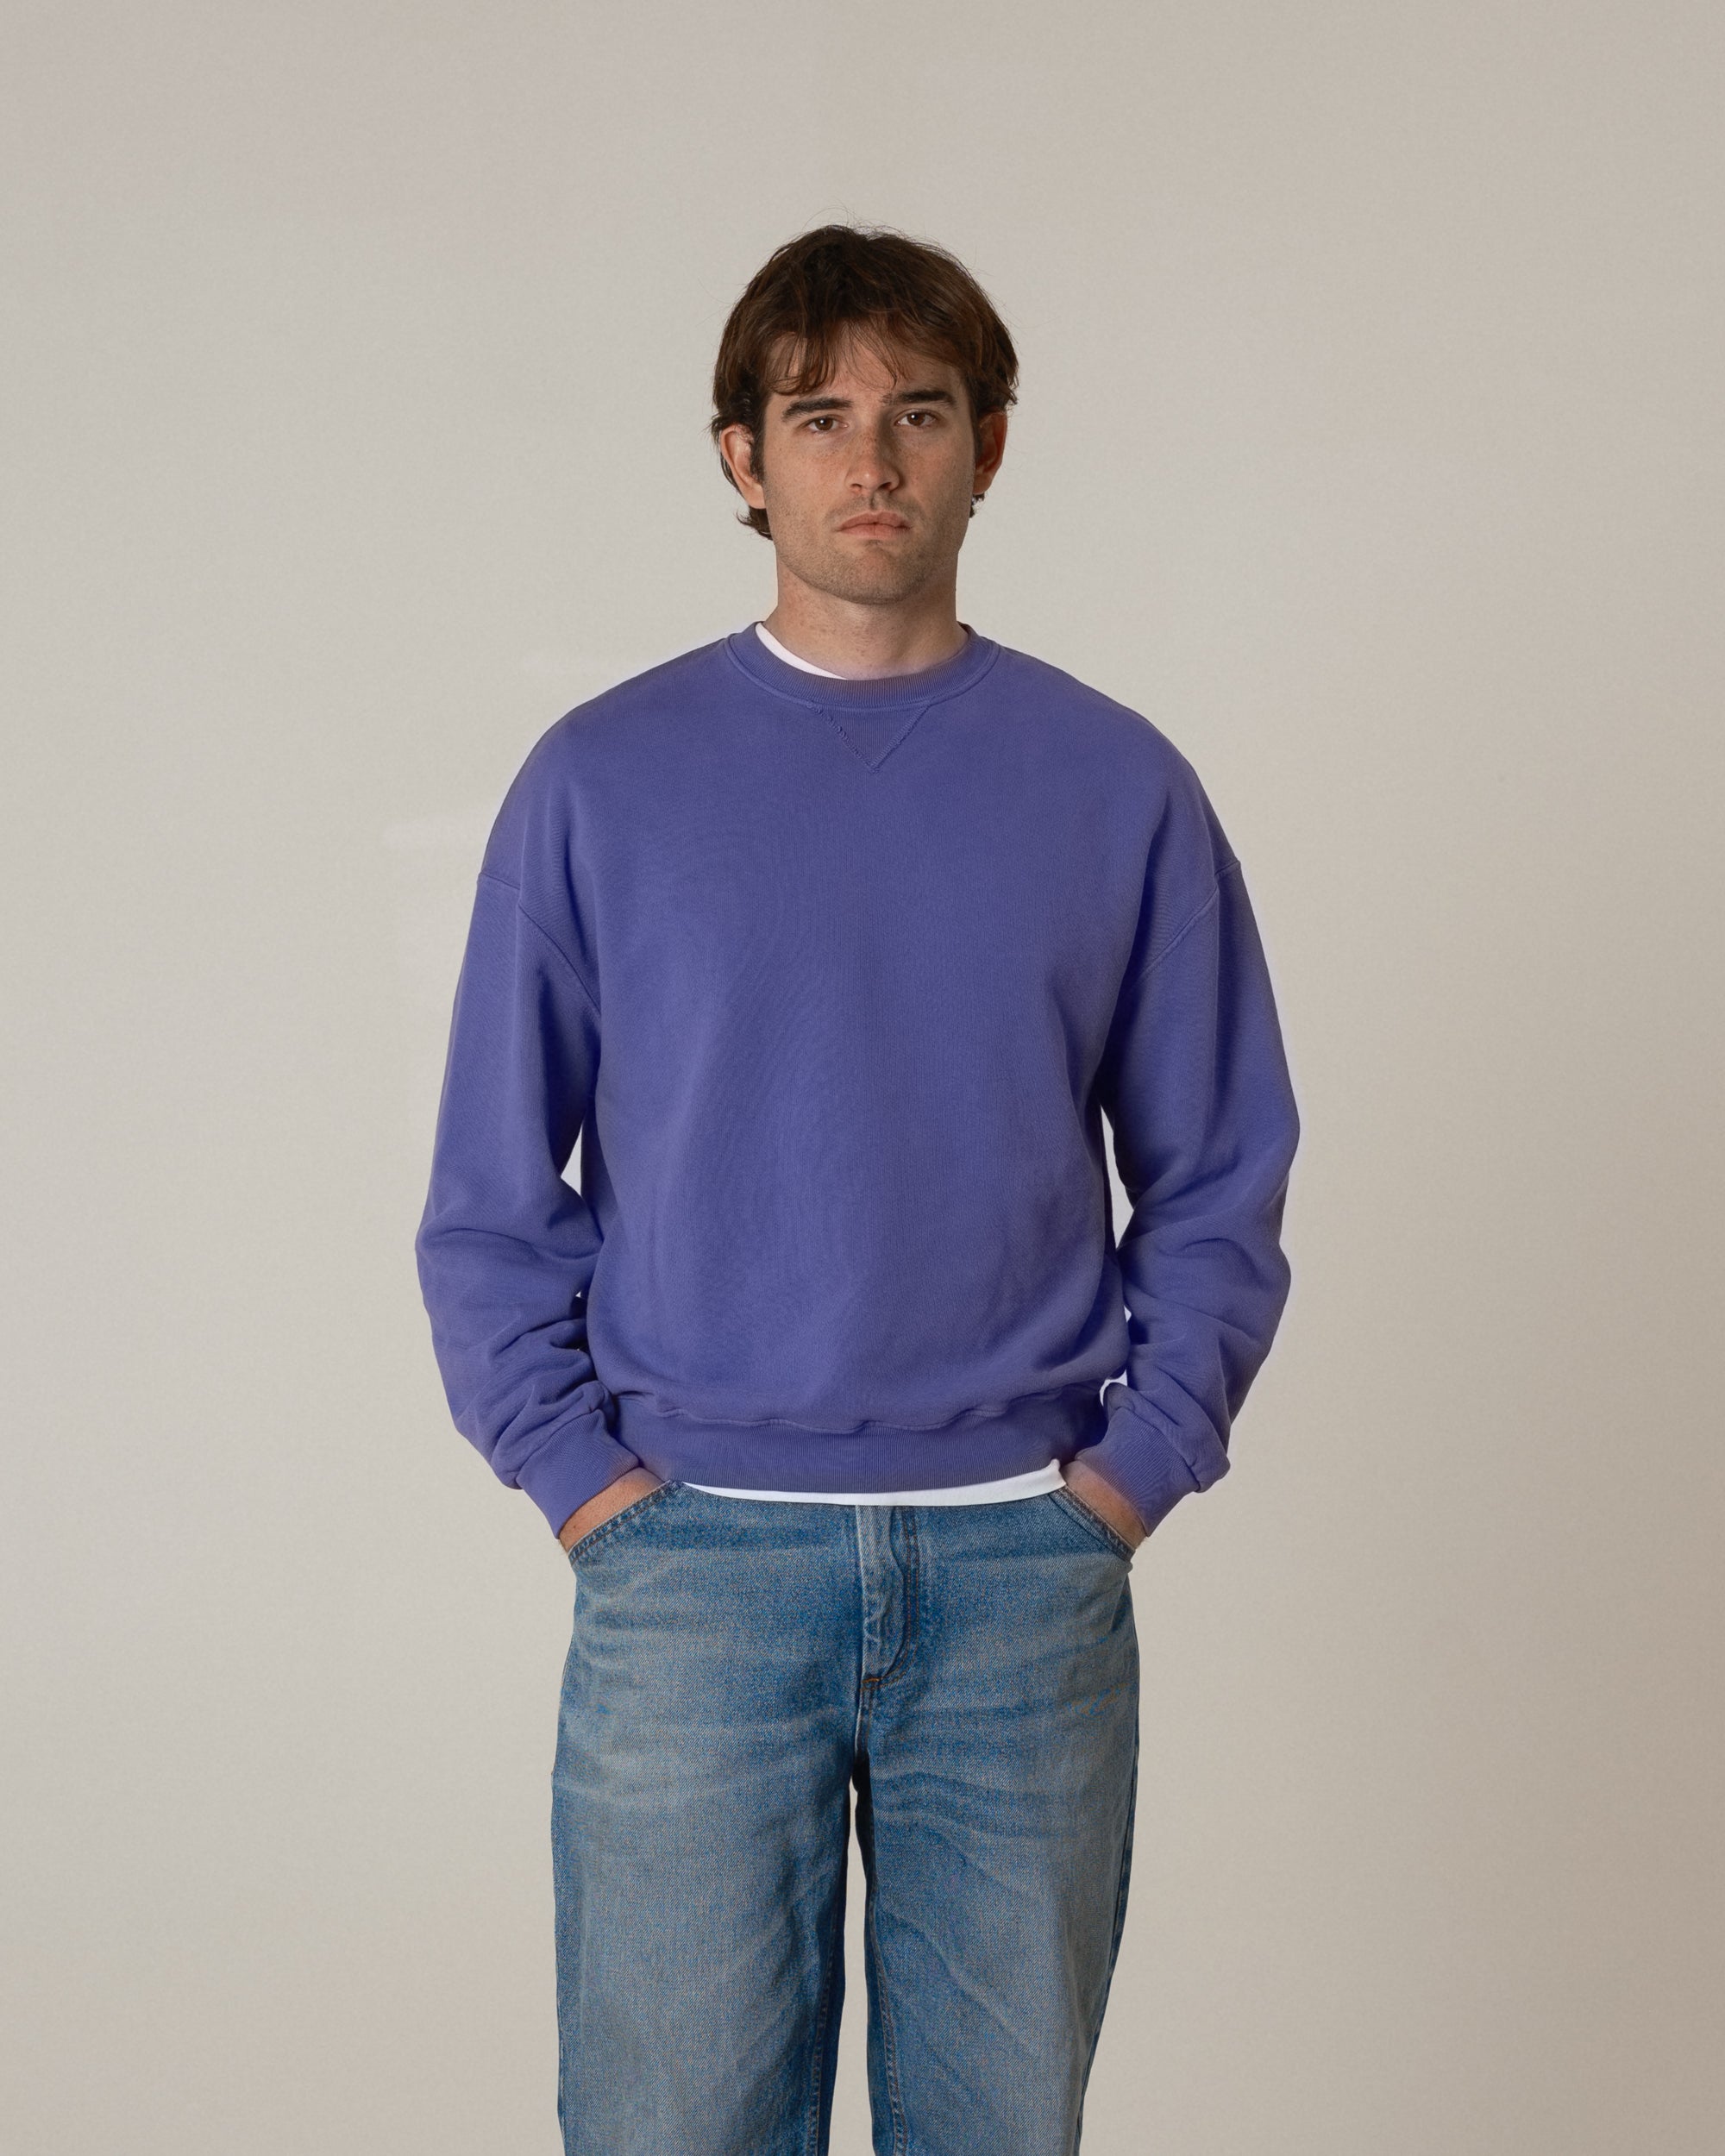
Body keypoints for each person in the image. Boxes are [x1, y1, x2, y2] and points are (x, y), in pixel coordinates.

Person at [415, 222, 1300, 2156]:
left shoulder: (1116, 784)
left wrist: (1133, 1472)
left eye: (920, 412)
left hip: (1021, 1574)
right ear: (743, 458)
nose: (873, 459)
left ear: (992, 445)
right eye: (819, 417)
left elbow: (1222, 1169)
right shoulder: (602, 781)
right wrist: (585, 1486)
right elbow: (489, 1191)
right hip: (693, 1569)